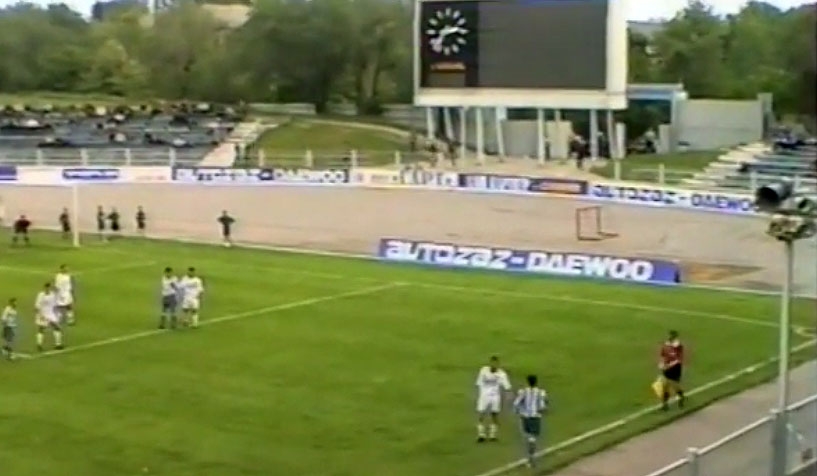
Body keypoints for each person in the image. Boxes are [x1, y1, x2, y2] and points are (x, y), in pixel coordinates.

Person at [514, 374, 548, 469]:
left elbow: (516, 403)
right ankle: (531, 457)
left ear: (527, 382)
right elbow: (543, 406)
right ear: (536, 382)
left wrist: (519, 412)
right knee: (533, 438)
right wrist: (544, 410)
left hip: (525, 418)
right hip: (536, 418)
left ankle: (530, 457)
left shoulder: (523, 392)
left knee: (528, 437)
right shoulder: (541, 392)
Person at [475, 355, 512, 442]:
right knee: (481, 413)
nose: (494, 365)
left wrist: (509, 394)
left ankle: (493, 435)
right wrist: (481, 393)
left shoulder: (502, 374)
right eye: (492, 363)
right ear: (490, 363)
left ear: (498, 364)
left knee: (494, 414)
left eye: (496, 364)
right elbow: (479, 383)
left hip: (495, 396)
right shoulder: (483, 370)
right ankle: (481, 435)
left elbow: (507, 386)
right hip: (484, 396)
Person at [659, 330, 686, 410]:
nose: (669, 337)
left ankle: (681, 397)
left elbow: (678, 359)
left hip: (675, 367)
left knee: (675, 385)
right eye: (669, 335)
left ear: (674, 336)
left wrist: (669, 365)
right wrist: (662, 363)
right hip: (667, 367)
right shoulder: (666, 344)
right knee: (665, 385)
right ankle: (665, 404)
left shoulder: (678, 345)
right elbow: (663, 355)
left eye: (671, 335)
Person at [35, 282, 64, 351]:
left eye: (48, 288)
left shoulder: (52, 295)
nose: (47, 289)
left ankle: (58, 344)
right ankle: (39, 345)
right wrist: (40, 315)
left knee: (56, 327)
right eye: (46, 288)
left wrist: (58, 313)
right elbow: (37, 306)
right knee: (41, 329)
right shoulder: (40, 295)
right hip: (42, 313)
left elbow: (55, 305)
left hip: (50, 313)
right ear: (44, 288)